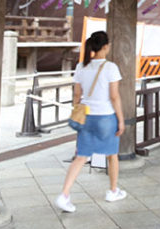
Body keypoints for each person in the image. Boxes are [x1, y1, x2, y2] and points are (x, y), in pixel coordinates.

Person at [56, 31, 126, 213]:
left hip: (86, 117)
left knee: (80, 157)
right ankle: (112, 191)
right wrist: (121, 120)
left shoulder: (81, 67)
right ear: (105, 47)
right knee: (112, 155)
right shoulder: (111, 68)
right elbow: (114, 96)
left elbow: (77, 95)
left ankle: (64, 195)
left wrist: (77, 111)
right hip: (105, 117)